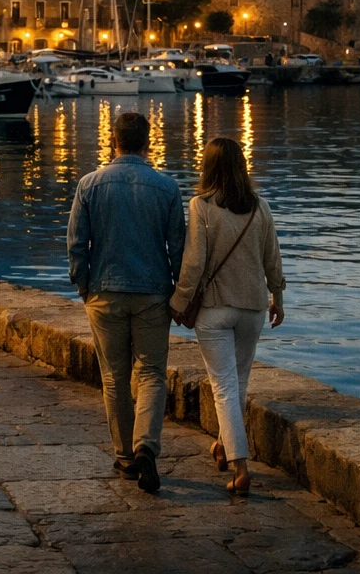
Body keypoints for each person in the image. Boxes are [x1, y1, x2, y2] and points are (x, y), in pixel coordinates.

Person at [67, 110, 185, 493]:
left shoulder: (89, 184)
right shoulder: (167, 189)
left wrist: (84, 287)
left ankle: (124, 456)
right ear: (146, 143)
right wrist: (179, 292)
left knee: (114, 377)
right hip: (153, 293)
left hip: (105, 291)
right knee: (151, 373)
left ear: (112, 141)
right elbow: (179, 250)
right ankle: (146, 446)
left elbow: (75, 244)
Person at [169, 136, 284, 495]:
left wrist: (178, 301)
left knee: (223, 388)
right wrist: (277, 296)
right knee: (238, 382)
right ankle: (222, 446)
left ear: (209, 166)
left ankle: (241, 467)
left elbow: (194, 264)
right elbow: (272, 258)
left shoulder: (201, 206)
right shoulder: (260, 207)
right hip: (252, 308)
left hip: (216, 309)